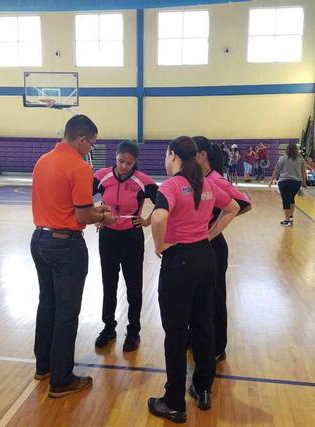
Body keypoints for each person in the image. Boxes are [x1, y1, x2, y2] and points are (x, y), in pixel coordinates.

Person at [148, 136, 239, 423]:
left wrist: (159, 246)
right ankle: (203, 387)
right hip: (205, 258)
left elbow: (158, 218)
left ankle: (174, 402)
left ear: (172, 155)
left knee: (176, 333)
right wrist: (208, 235)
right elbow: (234, 207)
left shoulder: (172, 185)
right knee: (203, 324)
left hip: (181, 263)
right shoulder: (207, 183)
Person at [31, 115, 115, 397]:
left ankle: (43, 366)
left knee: (47, 305)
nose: (90, 148)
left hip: (39, 239)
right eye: (91, 143)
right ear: (81, 139)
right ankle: (62, 379)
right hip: (66, 246)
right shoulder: (79, 167)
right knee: (67, 313)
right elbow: (82, 214)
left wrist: (93, 211)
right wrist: (104, 215)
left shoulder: (43, 161)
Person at [93, 140, 158, 352]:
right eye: (121, 161)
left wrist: (148, 220)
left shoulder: (143, 181)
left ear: (135, 162)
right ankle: (108, 328)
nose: (123, 166)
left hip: (132, 237)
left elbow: (165, 203)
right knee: (108, 283)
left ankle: (133, 331)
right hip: (108, 236)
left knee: (133, 286)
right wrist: (95, 214)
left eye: (129, 163)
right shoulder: (101, 176)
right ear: (116, 156)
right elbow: (81, 198)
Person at [194, 136, 251, 363]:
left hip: (213, 246)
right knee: (198, 296)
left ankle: (218, 346)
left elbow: (244, 204)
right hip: (196, 246)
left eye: (191, 153)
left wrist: (213, 231)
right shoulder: (197, 178)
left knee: (216, 298)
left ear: (202, 155)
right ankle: (196, 338)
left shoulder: (215, 179)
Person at [269, 143, 307, 227]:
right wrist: (304, 182)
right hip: (296, 183)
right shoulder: (301, 159)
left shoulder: (283, 158)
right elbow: (304, 172)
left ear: (287, 149)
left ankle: (287, 220)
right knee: (291, 198)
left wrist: (271, 181)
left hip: (284, 182)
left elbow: (276, 170)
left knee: (286, 200)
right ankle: (291, 217)